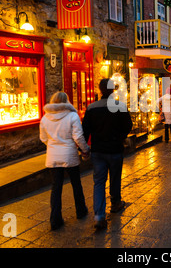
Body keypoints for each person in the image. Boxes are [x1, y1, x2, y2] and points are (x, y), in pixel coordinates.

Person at [82, 79, 133, 229]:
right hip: (115, 149)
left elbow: (85, 130)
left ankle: (99, 216)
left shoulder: (91, 108)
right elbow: (128, 126)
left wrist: (85, 148)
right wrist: (120, 137)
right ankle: (116, 202)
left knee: (99, 182)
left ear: (100, 90)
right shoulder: (120, 106)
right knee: (115, 178)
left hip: (98, 150)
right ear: (112, 90)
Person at [39, 91, 90, 230]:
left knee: (56, 187)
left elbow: (43, 138)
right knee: (76, 184)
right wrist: (85, 149)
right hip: (69, 154)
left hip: (53, 156)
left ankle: (55, 219)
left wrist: (53, 145)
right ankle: (80, 210)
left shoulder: (45, 118)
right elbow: (78, 137)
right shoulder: (72, 116)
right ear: (66, 101)